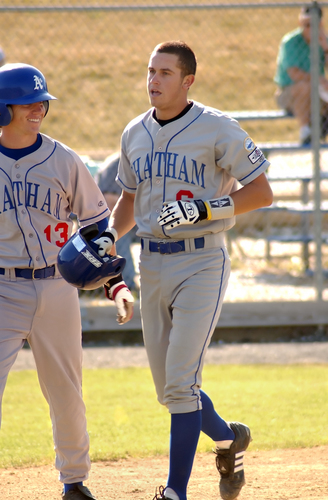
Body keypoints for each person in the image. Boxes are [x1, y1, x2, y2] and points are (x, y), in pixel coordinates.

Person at [95, 41, 273, 500]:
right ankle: (229, 437)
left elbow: (261, 192)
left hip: (201, 261)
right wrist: (111, 236)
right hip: (150, 261)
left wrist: (207, 209)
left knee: (180, 383)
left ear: (188, 80)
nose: (153, 81)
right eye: (150, 71)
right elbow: (129, 200)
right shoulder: (134, 132)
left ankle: (175, 492)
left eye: (165, 73)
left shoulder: (217, 128)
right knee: (172, 389)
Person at [0, 63, 134, 500]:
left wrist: (115, 284)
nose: (39, 108)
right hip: (3, 289)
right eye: (29, 102)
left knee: (66, 391)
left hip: (58, 287)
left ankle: (74, 481)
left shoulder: (63, 159)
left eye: (43, 102)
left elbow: (97, 233)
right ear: (3, 107)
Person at [274, 3, 328, 145]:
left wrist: (326, 49)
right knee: (305, 86)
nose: (308, 28)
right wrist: (317, 79)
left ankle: (320, 128)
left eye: (312, 24)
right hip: (288, 94)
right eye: (305, 24)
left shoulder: (324, 41)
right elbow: (294, 74)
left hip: (316, 94)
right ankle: (306, 132)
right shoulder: (291, 42)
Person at [95, 152, 138, 292]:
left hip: (144, 218)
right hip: (120, 218)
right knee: (117, 231)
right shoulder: (116, 164)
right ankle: (126, 283)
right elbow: (107, 200)